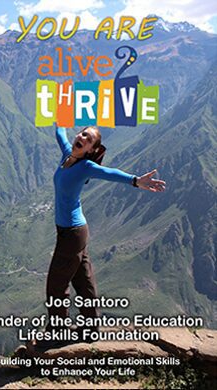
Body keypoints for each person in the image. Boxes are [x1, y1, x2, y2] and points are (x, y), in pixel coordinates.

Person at [44, 125, 165, 343]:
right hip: (73, 232)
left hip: (72, 234)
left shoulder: (86, 167)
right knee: (83, 281)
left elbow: (110, 174)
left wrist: (136, 181)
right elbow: (60, 133)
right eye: (82, 134)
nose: (82, 138)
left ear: (92, 149)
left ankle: (57, 332)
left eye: (88, 139)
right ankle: (91, 328)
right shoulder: (67, 155)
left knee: (56, 285)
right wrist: (60, 112)